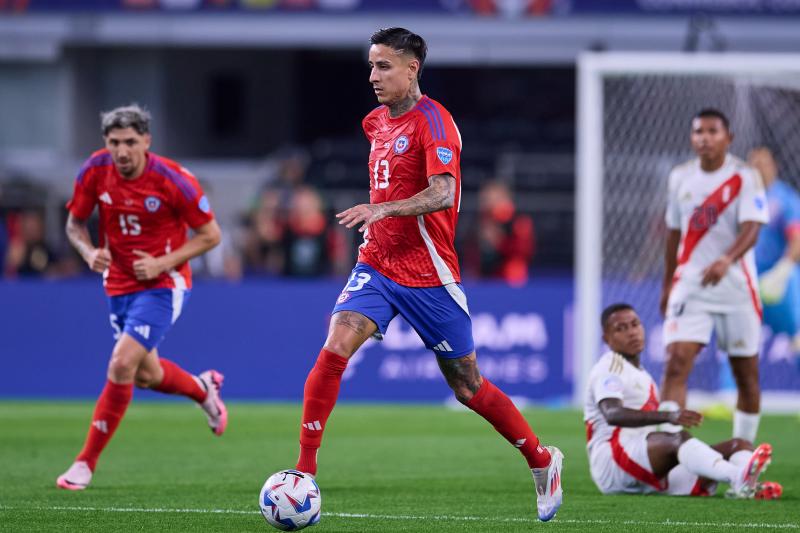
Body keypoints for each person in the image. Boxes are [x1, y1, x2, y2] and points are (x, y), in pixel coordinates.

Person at [291, 27, 563, 522]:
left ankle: (542, 460)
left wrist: (381, 210)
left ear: (412, 67)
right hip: (377, 265)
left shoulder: (434, 122)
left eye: (383, 66)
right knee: (335, 347)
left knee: (467, 386)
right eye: (370, 66)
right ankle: (303, 473)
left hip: (430, 274)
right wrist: (378, 222)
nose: (373, 76)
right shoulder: (375, 123)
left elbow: (442, 193)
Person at [56, 104, 227, 490]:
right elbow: (74, 224)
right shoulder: (95, 171)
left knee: (121, 363)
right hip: (117, 283)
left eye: (130, 142)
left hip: (163, 284)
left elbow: (210, 235)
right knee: (145, 375)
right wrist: (88, 253)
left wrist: (162, 261)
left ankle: (84, 463)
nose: (122, 151)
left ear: (146, 141)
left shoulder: (173, 180)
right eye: (114, 142)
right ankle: (203, 390)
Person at [585, 303, 780, 499]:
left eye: (635, 324)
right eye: (621, 328)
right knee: (678, 440)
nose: (632, 332)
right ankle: (738, 477)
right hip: (614, 462)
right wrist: (670, 416)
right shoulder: (610, 367)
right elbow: (613, 414)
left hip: (642, 460)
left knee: (739, 445)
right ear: (606, 339)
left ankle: (747, 488)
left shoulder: (641, 374)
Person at [659, 109, 768, 443]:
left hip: (736, 288)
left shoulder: (745, 177)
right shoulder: (680, 177)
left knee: (745, 374)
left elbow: (753, 228)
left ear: (728, 138)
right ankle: (667, 451)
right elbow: (674, 233)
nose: (704, 138)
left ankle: (744, 455)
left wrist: (726, 259)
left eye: (712, 131)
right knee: (677, 361)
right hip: (691, 285)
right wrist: (667, 283)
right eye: (698, 132)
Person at [748, 146, 800, 357]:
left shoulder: (785, 198)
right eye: (754, 165)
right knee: (737, 340)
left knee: (797, 335)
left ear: (774, 167)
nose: (758, 169)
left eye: (763, 164)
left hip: (779, 279)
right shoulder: (740, 198)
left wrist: (782, 270)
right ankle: (730, 390)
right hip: (747, 279)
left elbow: (796, 238)